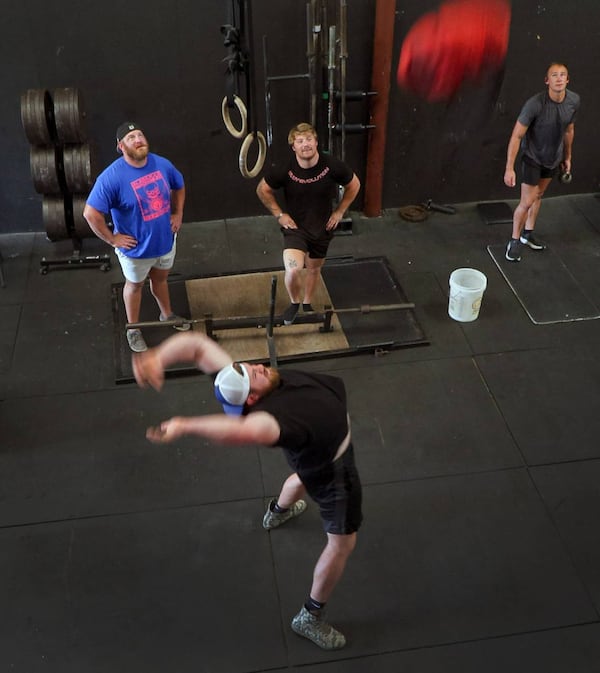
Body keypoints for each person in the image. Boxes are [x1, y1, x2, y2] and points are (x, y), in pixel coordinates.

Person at [132, 331, 363, 650]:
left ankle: (277, 512)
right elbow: (240, 432)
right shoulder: (266, 420)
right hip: (333, 472)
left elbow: (197, 345)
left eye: (249, 366)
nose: (257, 367)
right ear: (252, 400)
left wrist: (158, 356)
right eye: (253, 374)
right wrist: (185, 425)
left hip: (313, 455)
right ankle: (310, 617)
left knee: (300, 475)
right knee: (342, 544)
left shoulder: (237, 378)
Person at [84, 122, 190, 352]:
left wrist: (178, 213)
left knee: (160, 279)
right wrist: (113, 239)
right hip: (135, 250)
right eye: (131, 137)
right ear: (121, 146)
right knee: (135, 286)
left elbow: (179, 185)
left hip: (165, 242)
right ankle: (133, 328)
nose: (139, 139)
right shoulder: (111, 178)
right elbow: (90, 213)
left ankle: (167, 315)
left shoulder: (162, 164)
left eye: (140, 134)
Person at [256, 122, 361, 325]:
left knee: (314, 269)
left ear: (316, 142)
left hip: (323, 228)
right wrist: (279, 215)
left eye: (309, 139)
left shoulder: (332, 165)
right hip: (296, 229)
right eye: (300, 141)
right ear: (293, 146)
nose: (306, 145)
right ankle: (294, 303)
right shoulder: (286, 169)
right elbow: (262, 189)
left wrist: (340, 212)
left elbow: (354, 184)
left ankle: (306, 303)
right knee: (293, 269)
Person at [503, 62, 580, 262]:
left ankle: (527, 234)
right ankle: (514, 240)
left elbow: (569, 130)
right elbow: (516, 136)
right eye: (554, 75)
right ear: (547, 80)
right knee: (527, 201)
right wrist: (509, 168)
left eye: (563, 75)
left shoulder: (573, 101)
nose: (559, 78)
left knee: (539, 196)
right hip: (533, 158)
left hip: (553, 158)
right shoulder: (535, 104)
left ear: (568, 80)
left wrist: (567, 157)